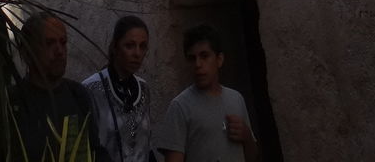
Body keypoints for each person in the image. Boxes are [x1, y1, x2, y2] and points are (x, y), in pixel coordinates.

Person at [11, 11, 110, 162]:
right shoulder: (14, 102)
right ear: (27, 51)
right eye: (49, 43)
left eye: (63, 42)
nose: (59, 51)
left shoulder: (78, 94)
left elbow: (95, 151)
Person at [155, 24, 258, 162]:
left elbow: (253, 157)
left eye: (204, 56)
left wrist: (247, 137)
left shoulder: (236, 99)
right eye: (192, 58)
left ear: (219, 59)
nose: (198, 64)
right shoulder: (180, 107)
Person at [82, 14, 155, 162]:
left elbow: (145, 145)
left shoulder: (144, 88)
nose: (137, 53)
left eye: (142, 46)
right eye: (129, 46)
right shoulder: (91, 89)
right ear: (115, 46)